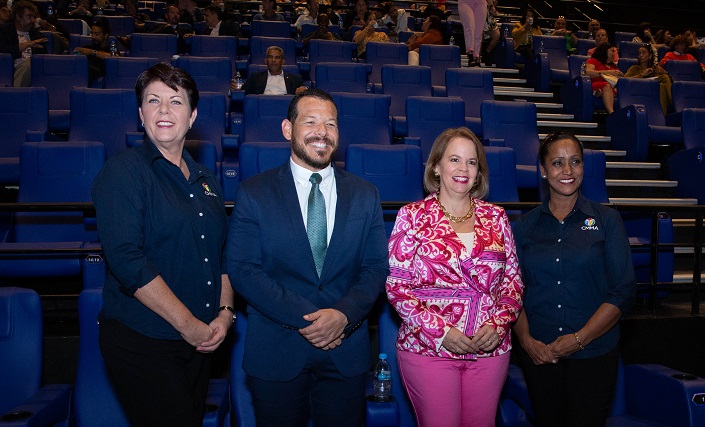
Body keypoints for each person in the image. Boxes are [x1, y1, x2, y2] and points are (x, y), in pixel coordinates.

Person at [227, 88, 390, 426]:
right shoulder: (254, 192)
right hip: (276, 351)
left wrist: (343, 316)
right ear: (288, 129)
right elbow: (244, 270)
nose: (322, 132)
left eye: (331, 124)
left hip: (345, 351)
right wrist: (314, 319)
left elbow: (376, 267)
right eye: (311, 121)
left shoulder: (365, 195)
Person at [91, 63, 233, 427]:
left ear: (193, 115)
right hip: (145, 341)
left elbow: (223, 254)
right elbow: (127, 260)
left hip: (201, 341)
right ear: (141, 114)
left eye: (176, 101)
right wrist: (188, 324)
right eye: (153, 101)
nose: (165, 110)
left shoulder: (206, 179)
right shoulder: (123, 172)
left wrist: (223, 314)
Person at [386, 126, 524, 427]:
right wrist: (443, 332)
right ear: (436, 166)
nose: (463, 169)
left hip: (491, 349)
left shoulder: (497, 217)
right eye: (454, 159)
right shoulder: (412, 216)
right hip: (429, 348)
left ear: (479, 172)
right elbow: (398, 288)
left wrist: (498, 324)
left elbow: (513, 282)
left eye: (471, 162)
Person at [512, 131, 636, 427]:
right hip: (540, 357)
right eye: (557, 163)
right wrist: (527, 342)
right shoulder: (523, 227)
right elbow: (512, 292)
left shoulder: (606, 220)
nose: (567, 171)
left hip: (594, 353)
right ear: (543, 170)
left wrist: (578, 340)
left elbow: (623, 290)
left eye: (575, 162)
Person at [0, 0, 47, 87]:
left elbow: (44, 61)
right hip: (9, 69)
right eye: (29, 16)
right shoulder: (4, 31)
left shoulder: (38, 36)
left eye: (33, 17)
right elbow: (3, 52)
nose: (33, 20)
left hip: (34, 74)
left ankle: (12, 93)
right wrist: (26, 45)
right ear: (18, 16)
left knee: (31, 63)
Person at [236, 45, 306, 95]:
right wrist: (235, 88)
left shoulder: (295, 79)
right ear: (266, 61)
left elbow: (306, 91)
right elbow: (241, 92)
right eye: (270, 57)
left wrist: (304, 89)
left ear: (283, 61)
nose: (273, 60)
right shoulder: (255, 77)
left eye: (277, 57)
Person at [625, 43, 672, 114]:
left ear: (650, 56)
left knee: (663, 82)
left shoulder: (655, 69)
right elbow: (624, 81)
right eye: (639, 53)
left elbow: (669, 82)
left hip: (653, 95)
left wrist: (664, 72)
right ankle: (672, 103)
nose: (641, 55)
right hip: (639, 92)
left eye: (643, 53)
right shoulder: (633, 68)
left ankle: (662, 113)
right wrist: (641, 75)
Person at [73, 17, 115, 84]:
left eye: (97, 34)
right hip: (80, 71)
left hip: (96, 74)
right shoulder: (87, 47)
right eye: (92, 34)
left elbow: (115, 58)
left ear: (106, 36)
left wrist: (92, 52)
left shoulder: (111, 49)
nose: (93, 37)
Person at [585, 42, 623, 114]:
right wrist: (606, 72)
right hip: (595, 84)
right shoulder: (592, 60)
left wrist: (621, 75)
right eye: (612, 51)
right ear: (605, 50)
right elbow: (586, 72)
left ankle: (601, 94)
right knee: (607, 86)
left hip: (613, 88)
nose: (614, 53)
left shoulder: (613, 66)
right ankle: (611, 113)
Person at [457, 0, 486, 67]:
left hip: (481, 3)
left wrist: (491, 6)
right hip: (465, 2)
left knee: (478, 31)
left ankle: (476, 57)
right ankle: (470, 54)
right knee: (470, 26)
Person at [480, 0, 500, 66]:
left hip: (490, 18)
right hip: (481, 15)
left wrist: (493, 8)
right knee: (479, 37)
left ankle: (486, 54)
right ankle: (476, 58)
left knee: (497, 35)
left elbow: (494, 5)